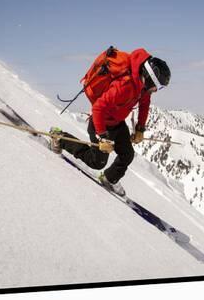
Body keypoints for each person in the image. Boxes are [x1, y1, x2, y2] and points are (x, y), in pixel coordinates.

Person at [49, 48, 171, 196]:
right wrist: (101, 137)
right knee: (97, 162)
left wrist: (140, 128)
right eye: (157, 86)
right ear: (149, 77)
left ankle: (108, 179)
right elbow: (98, 108)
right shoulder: (124, 86)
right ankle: (60, 138)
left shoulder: (142, 87)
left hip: (117, 123)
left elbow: (145, 104)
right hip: (100, 124)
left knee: (127, 155)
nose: (156, 90)